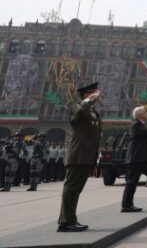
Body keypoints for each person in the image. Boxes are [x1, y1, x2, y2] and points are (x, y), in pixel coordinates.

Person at [57, 82, 102, 232]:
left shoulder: (92, 111)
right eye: (92, 93)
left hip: (85, 156)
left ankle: (70, 219)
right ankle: (65, 222)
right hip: (78, 155)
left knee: (76, 190)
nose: (96, 95)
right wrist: (89, 100)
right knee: (71, 189)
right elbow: (81, 109)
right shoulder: (80, 108)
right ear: (85, 95)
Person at [122, 106, 147, 212]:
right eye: (146, 112)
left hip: (139, 158)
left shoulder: (141, 125)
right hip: (135, 158)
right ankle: (126, 205)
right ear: (140, 114)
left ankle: (129, 204)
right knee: (131, 182)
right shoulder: (136, 124)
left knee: (133, 183)